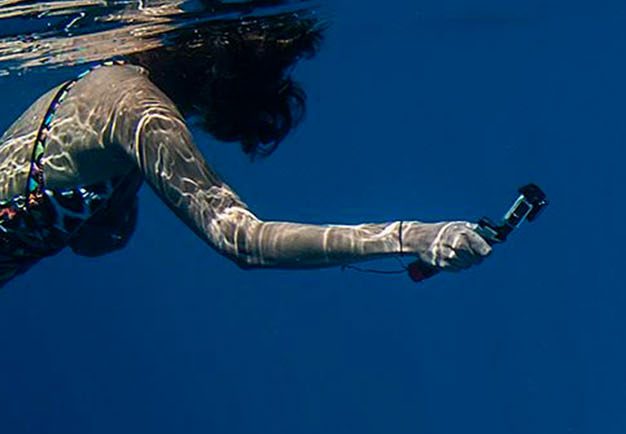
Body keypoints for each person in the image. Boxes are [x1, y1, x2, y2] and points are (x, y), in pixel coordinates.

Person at [0, 11, 491, 288]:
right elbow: (244, 242)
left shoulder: (113, 98)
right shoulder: (136, 108)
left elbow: (88, 239)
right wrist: (411, 236)